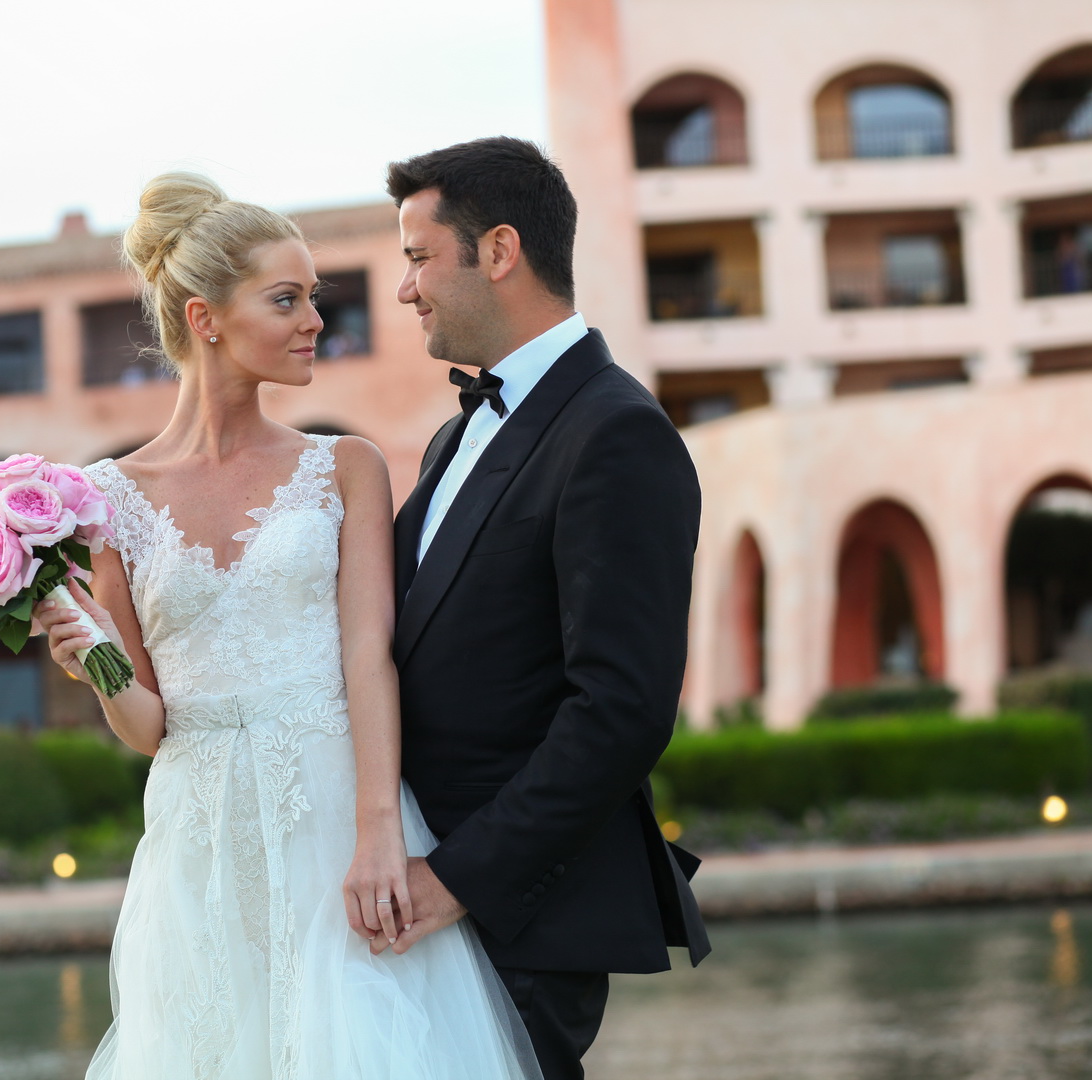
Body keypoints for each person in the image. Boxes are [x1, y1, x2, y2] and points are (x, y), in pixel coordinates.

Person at [36, 172, 540, 1079]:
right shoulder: (109, 500)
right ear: (205, 319)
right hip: (198, 843)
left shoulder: (346, 466)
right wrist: (96, 658)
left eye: (316, 297)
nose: (316, 319)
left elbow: (368, 659)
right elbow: (151, 728)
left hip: (337, 820)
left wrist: (380, 833)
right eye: (287, 299)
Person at [375, 137, 711, 1079]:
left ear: (499, 250)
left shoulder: (616, 432)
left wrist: (453, 881)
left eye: (416, 256)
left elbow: (621, 710)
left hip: (513, 923)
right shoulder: (457, 437)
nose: (405, 289)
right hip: (419, 903)